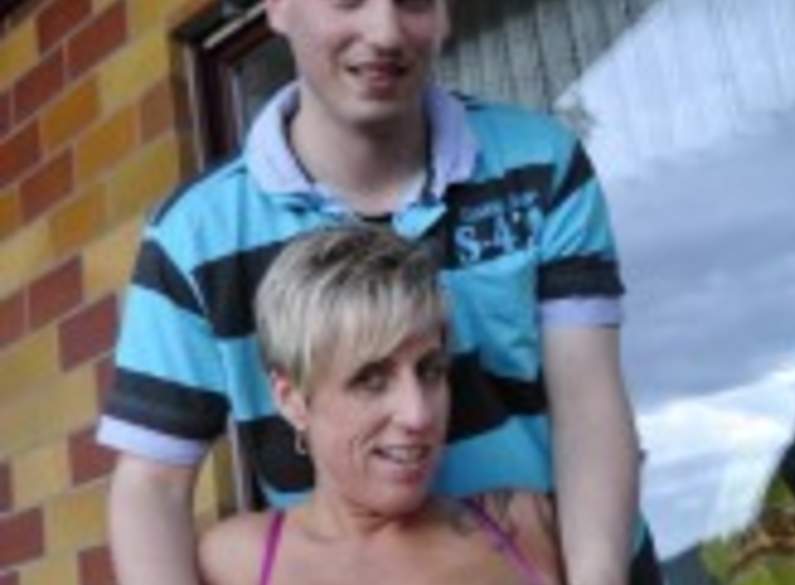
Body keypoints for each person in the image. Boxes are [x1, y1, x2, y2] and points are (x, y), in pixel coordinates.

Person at [98, 0, 661, 583]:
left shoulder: (540, 161)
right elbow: (153, 485)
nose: (386, 31)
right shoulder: (194, 235)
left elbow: (588, 404)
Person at [200, 224, 566, 585]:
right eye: (371, 381)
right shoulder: (234, 562)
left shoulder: (528, 527)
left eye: (431, 371)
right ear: (291, 399)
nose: (418, 415)